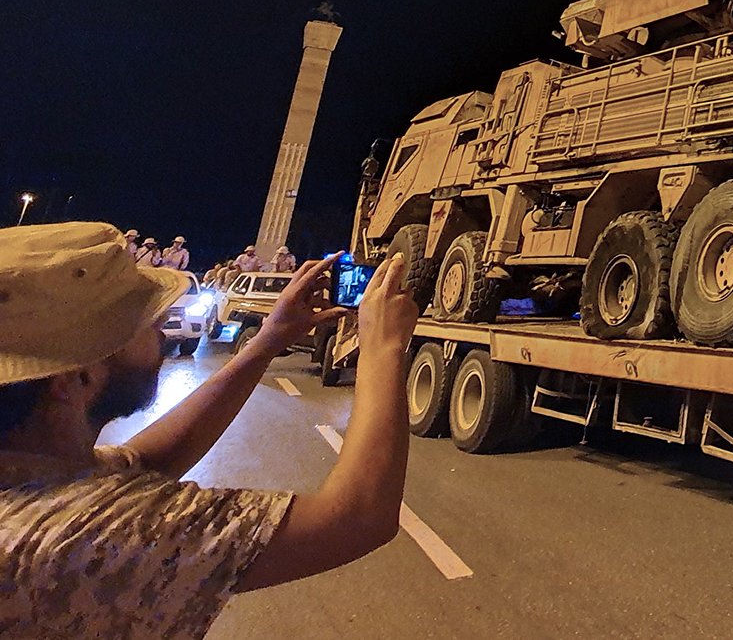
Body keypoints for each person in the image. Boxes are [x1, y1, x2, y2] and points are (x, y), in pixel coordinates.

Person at [0, 222, 420, 639]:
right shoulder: (88, 533)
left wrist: (268, 341)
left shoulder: (34, 472)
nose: (160, 326)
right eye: (137, 320)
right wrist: (382, 345)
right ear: (76, 379)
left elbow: (143, 462)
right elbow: (357, 518)